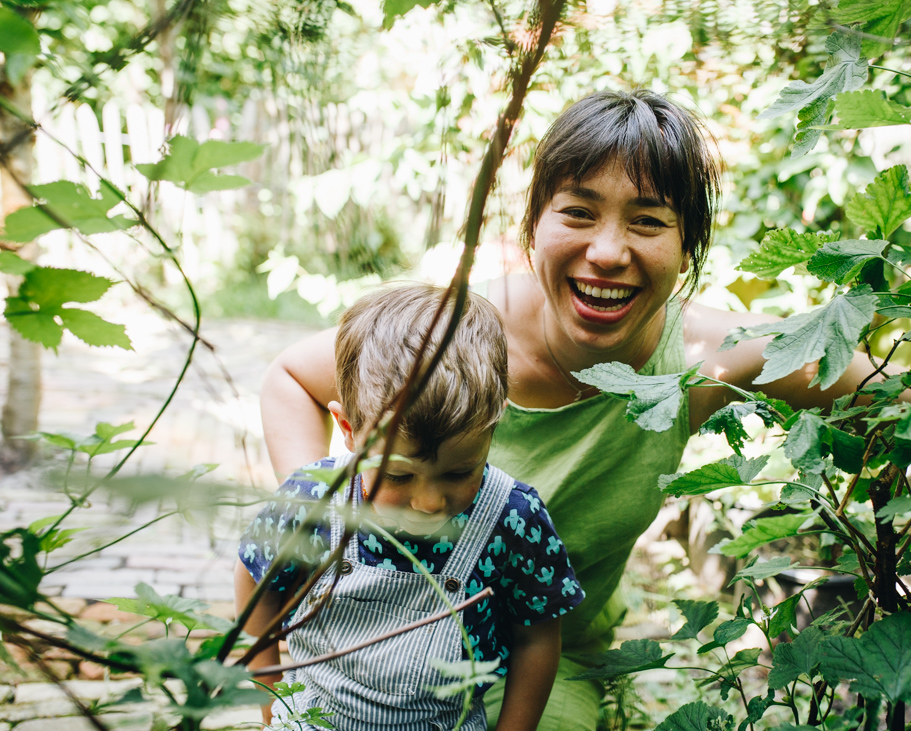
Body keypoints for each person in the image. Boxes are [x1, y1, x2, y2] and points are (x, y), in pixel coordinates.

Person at [258, 89, 875, 730]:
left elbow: (895, 395)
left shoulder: (705, 360)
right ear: (534, 227)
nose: (608, 252)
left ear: (687, 245)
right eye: (578, 212)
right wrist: (321, 542)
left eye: (648, 221)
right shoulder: (456, 339)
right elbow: (290, 379)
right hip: (368, 646)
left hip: (542, 660)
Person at [236, 283, 584, 731]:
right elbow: (255, 579)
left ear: (495, 424)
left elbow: (536, 637)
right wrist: (270, 699)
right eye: (397, 476)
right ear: (347, 428)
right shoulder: (313, 498)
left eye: (459, 473)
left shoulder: (513, 519)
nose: (428, 502)